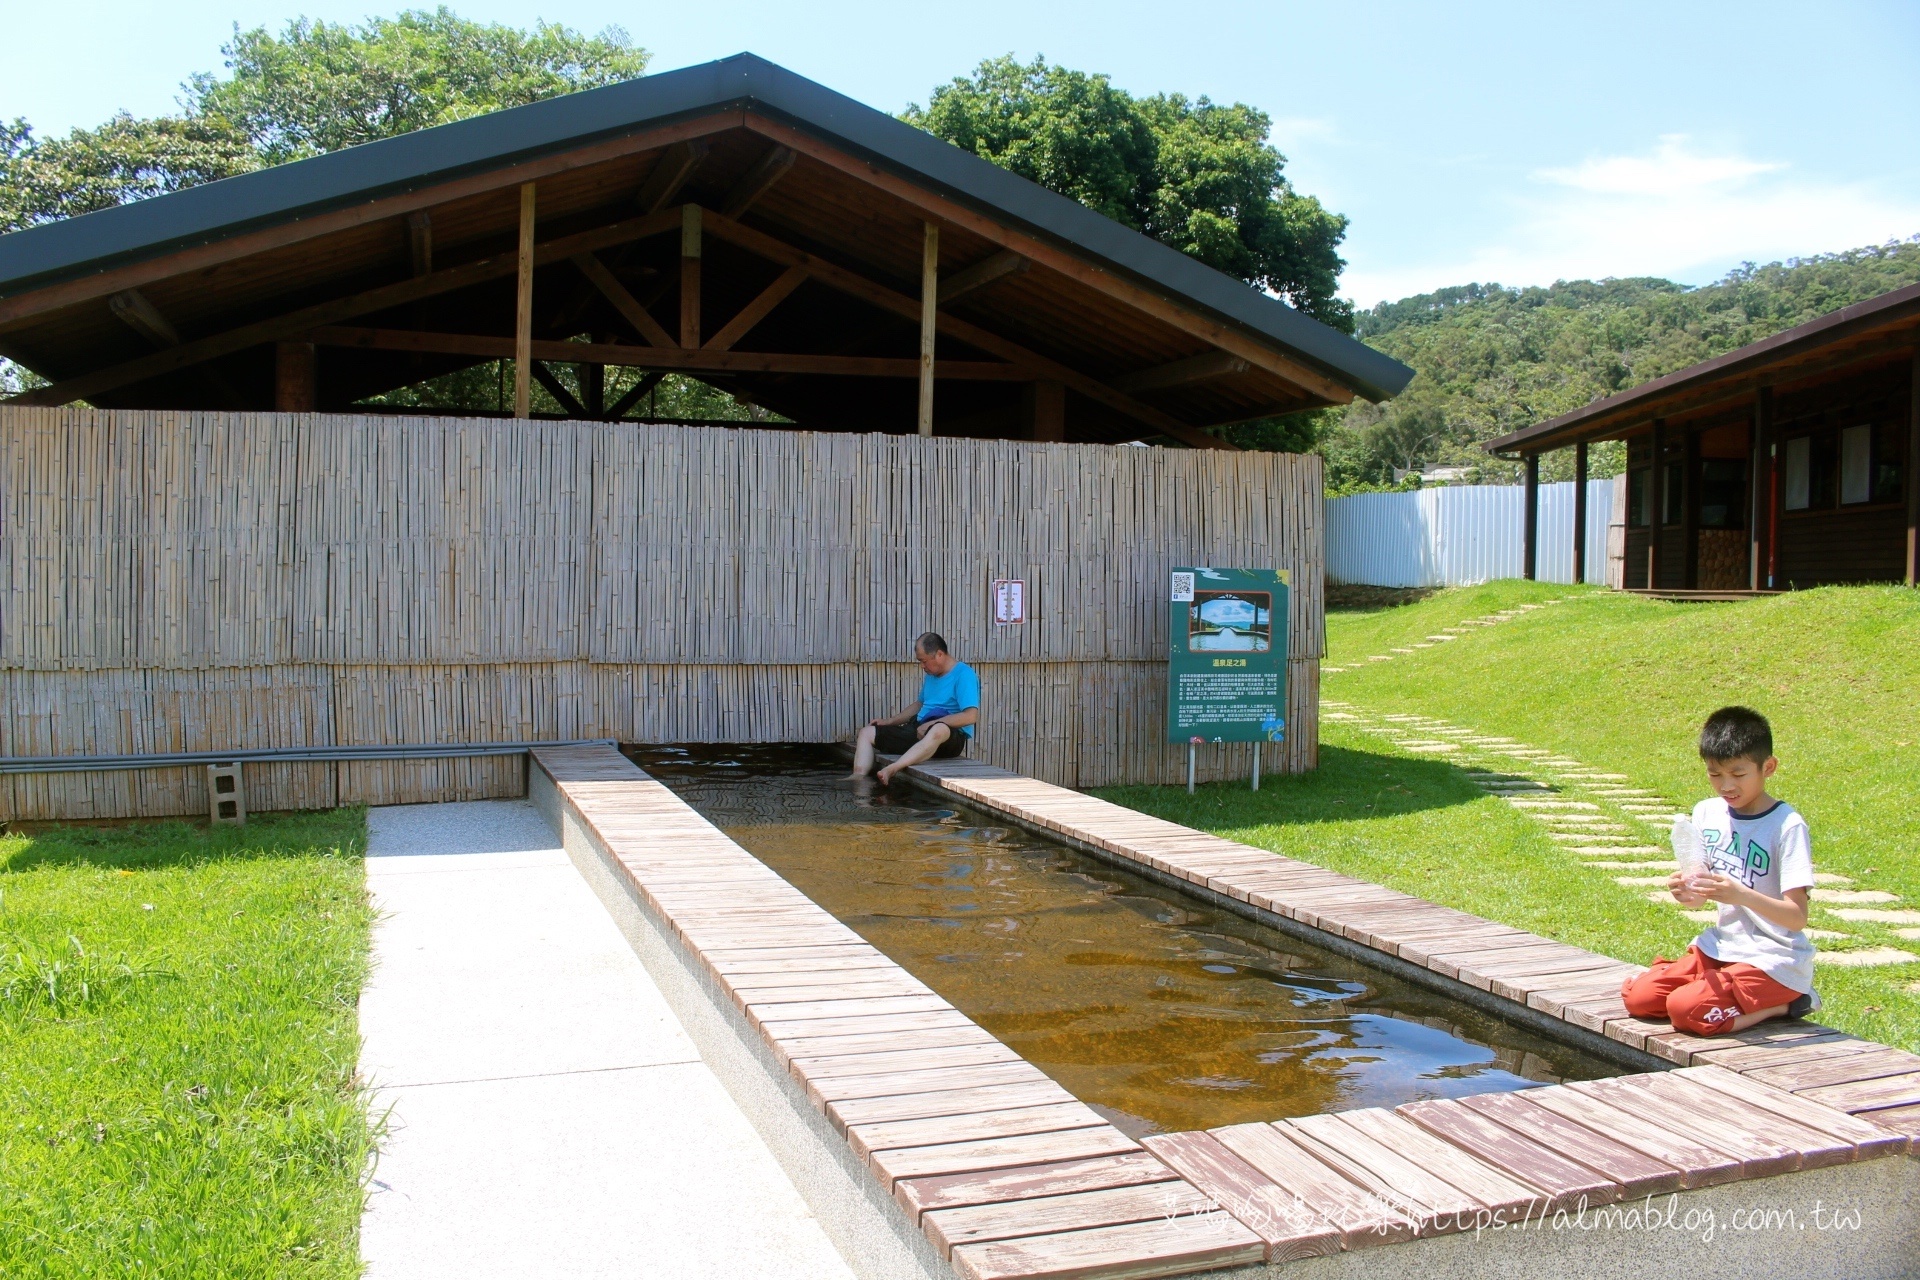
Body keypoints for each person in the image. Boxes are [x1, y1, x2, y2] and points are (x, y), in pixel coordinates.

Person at [1620, 706, 1818, 1035]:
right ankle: (1712, 989)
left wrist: (1741, 895)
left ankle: (1793, 1002)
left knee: (1686, 1012)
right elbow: (1697, 901)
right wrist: (1685, 891)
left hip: (1772, 959)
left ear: (1768, 767)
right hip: (1722, 947)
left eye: (1738, 775)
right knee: (1639, 999)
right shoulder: (1706, 813)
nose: (1726, 785)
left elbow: (1796, 917)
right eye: (1715, 774)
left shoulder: (1786, 826)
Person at [849, 632, 980, 786]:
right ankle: (857, 780)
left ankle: (893, 768)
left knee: (939, 729)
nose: (922, 666)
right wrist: (889, 721)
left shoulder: (964, 675)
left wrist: (933, 724)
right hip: (919, 729)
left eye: (924, 661)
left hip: (949, 738)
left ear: (939, 654)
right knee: (867, 732)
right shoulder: (931, 675)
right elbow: (919, 705)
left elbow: (970, 716)